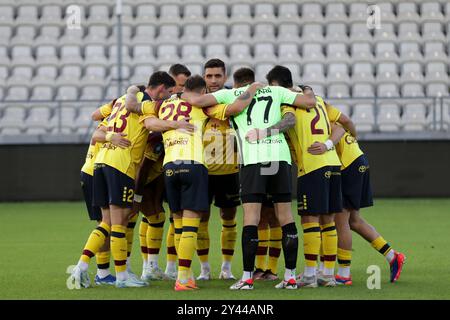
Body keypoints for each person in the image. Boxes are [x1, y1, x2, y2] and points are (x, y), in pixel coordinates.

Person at [182, 68, 317, 290]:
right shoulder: (276, 91)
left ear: (235, 84)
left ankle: (247, 278)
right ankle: (291, 277)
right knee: (285, 217)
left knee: (251, 218)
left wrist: (181, 94)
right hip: (279, 157)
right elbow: (309, 102)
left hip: (253, 158)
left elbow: (196, 100)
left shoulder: (230, 95)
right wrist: (305, 88)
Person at [126, 74, 263, 291]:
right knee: (191, 223)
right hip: (194, 164)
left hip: (169, 166)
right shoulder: (203, 107)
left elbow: (138, 111)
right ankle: (183, 279)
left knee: (178, 223)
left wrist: (133, 90)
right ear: (202, 92)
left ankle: (185, 274)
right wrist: (253, 89)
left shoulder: (163, 104)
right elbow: (236, 108)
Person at [266, 65, 345, 288]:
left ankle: (310, 275)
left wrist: (264, 133)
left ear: (277, 85)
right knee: (328, 221)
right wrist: (329, 144)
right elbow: (340, 126)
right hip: (332, 164)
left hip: (312, 167)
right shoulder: (317, 99)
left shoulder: (288, 101)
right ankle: (327, 275)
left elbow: (288, 123)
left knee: (309, 220)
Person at [317, 103, 406, 285]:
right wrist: (354, 139)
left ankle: (344, 274)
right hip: (357, 158)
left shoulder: (312, 110)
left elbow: (341, 126)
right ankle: (392, 256)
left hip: (348, 165)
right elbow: (346, 121)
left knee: (340, 220)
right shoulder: (322, 107)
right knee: (354, 221)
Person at [197, 59, 240, 280]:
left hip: (229, 171)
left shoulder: (235, 99)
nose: (213, 80)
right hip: (202, 172)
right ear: (203, 77)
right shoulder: (196, 102)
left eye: (217, 76)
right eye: (209, 76)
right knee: (200, 219)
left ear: (225, 77)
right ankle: (204, 269)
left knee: (228, 217)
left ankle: (226, 267)